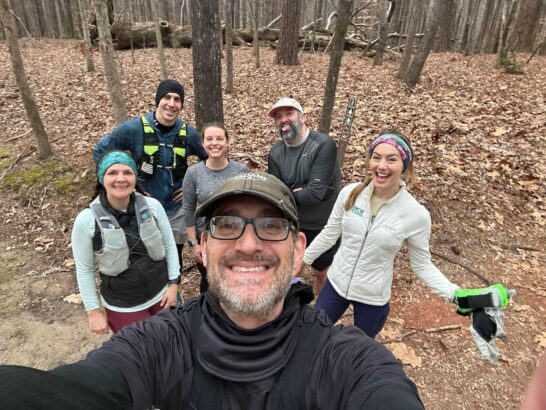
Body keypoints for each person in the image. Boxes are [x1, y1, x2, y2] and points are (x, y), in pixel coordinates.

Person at [0, 172, 425, 410]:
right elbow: (77, 390)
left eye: (271, 225)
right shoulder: (161, 342)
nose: (248, 243)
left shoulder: (345, 357)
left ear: (298, 252)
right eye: (226, 225)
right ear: (202, 248)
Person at [304, 132, 510, 343]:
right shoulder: (349, 193)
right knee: (313, 337)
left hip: (372, 298)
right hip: (336, 284)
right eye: (376, 157)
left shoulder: (416, 214)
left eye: (391, 159)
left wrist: (458, 296)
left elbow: (422, 265)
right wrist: (298, 262)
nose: (381, 166)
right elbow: (330, 234)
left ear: (405, 165)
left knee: (359, 353)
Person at [92, 79, 208, 269]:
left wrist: (194, 188)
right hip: (142, 207)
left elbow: (211, 161)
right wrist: (126, 183)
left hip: (175, 209)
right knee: (147, 255)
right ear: (157, 100)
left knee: (174, 254)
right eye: (167, 97)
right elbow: (100, 151)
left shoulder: (189, 134)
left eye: (177, 99)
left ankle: (173, 294)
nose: (171, 104)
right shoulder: (134, 128)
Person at [72, 151, 181, 334]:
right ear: (101, 178)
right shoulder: (87, 220)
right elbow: (85, 269)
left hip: (163, 294)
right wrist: (93, 311)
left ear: (135, 177)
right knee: (142, 356)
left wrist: (174, 284)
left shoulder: (153, 206)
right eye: (112, 173)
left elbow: (170, 246)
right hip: (123, 306)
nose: (120, 179)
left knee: (174, 341)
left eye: (127, 172)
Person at [267, 97, 341, 293]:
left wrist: (290, 193)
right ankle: (293, 312)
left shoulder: (323, 144)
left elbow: (314, 195)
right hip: (292, 223)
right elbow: (276, 194)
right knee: (290, 271)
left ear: (303, 117)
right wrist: (298, 191)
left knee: (322, 272)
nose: (283, 120)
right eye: (278, 117)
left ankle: (323, 315)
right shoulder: (275, 153)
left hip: (322, 225)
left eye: (289, 114)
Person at [182, 122, 247, 293]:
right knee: (209, 281)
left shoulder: (241, 170)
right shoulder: (194, 172)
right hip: (206, 239)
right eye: (209, 139)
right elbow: (188, 208)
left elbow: (248, 205)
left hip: (236, 237)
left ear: (227, 142)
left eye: (219, 138)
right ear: (203, 144)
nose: (214, 143)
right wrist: (194, 244)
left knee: (233, 279)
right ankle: (209, 316)